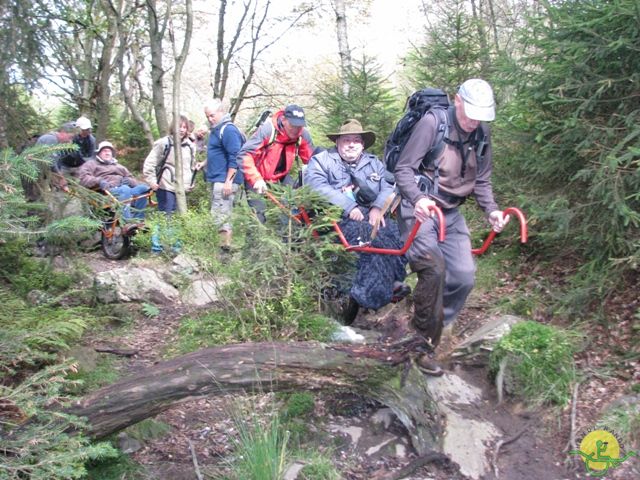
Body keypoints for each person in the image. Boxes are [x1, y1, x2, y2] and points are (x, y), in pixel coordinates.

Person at [394, 78, 510, 374]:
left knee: (464, 276)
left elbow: (482, 180)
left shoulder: (481, 131)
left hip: (451, 211)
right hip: (420, 207)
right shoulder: (433, 123)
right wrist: (418, 199)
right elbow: (404, 169)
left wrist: (492, 211)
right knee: (433, 269)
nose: (474, 121)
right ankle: (421, 344)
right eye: (470, 112)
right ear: (457, 100)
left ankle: (436, 323)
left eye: (481, 115)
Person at [305, 119, 410, 319]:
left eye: (356, 140)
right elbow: (316, 187)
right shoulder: (322, 161)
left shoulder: (374, 163)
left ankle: (391, 282)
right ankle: (368, 293)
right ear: (338, 142)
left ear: (362, 144)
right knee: (365, 239)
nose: (351, 144)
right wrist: (348, 206)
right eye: (346, 140)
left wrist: (378, 208)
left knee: (395, 233)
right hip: (333, 218)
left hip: (369, 215)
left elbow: (388, 186)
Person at [238, 104, 315, 222]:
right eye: (293, 125)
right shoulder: (268, 130)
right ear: (284, 120)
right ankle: (255, 239)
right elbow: (245, 155)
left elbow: (312, 160)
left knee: (294, 206)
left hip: (282, 177)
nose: (296, 130)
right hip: (258, 177)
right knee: (258, 216)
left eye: (299, 126)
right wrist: (256, 179)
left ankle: (287, 238)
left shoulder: (302, 135)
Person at [142, 115, 196, 252]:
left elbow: (190, 166)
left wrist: (191, 182)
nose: (182, 130)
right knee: (165, 215)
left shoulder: (190, 146)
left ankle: (175, 246)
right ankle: (157, 246)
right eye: (179, 126)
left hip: (182, 188)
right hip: (165, 185)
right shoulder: (164, 143)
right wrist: (152, 181)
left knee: (178, 216)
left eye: (184, 127)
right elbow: (150, 163)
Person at [196, 99, 245, 250]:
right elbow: (217, 153)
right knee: (218, 214)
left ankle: (224, 250)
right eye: (207, 116)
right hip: (218, 179)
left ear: (221, 112)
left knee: (222, 216)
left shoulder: (228, 130)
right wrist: (204, 163)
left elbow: (235, 156)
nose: (210, 119)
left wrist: (228, 182)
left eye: (212, 115)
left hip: (225, 181)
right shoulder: (216, 130)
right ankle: (221, 248)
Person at [79, 141, 150, 222]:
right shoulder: (91, 164)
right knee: (125, 189)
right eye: (104, 151)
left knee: (143, 188)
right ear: (98, 153)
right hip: (106, 191)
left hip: (124, 189)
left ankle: (139, 220)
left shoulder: (119, 166)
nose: (107, 153)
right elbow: (83, 178)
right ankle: (127, 222)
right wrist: (99, 181)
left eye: (109, 151)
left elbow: (132, 179)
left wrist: (129, 180)